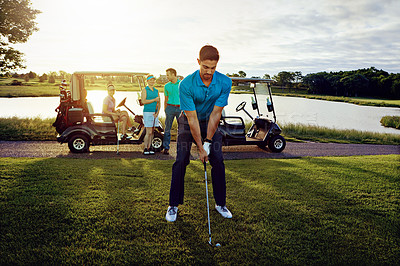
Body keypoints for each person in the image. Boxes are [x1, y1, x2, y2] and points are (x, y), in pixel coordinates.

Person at [165, 45, 233, 222]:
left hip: (209, 121)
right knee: (181, 160)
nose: (209, 72)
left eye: (213, 68)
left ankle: (220, 204)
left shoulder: (225, 82)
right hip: (188, 122)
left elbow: (216, 114)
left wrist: (208, 142)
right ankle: (173, 205)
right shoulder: (186, 84)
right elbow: (192, 118)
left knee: (217, 159)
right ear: (198, 62)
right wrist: (201, 149)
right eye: (205, 67)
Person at [162, 68, 181, 155]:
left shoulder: (181, 84)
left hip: (180, 108)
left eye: (168, 75)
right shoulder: (166, 86)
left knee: (181, 129)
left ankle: (181, 149)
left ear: (173, 74)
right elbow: (165, 99)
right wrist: (165, 109)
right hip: (170, 108)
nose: (167, 77)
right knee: (167, 129)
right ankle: (166, 147)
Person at [141, 74, 160, 155]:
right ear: (147, 81)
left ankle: (150, 147)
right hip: (147, 112)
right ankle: (145, 148)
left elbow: (159, 103)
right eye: (150, 80)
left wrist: (157, 113)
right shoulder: (145, 90)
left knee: (152, 132)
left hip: (154, 113)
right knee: (148, 132)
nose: (152, 81)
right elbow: (143, 101)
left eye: (153, 80)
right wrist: (154, 100)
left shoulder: (156, 91)